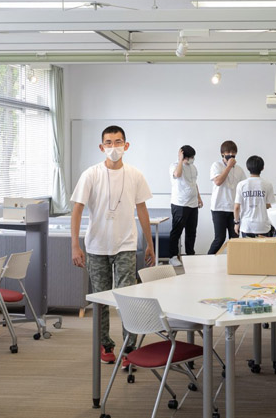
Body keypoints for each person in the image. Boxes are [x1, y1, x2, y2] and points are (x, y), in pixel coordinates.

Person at [71, 125, 154, 364]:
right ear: (101, 147)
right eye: (108, 143)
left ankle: (130, 348)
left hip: (126, 244)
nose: (113, 147)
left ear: (126, 146)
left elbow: (142, 210)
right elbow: (77, 210)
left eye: (118, 142)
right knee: (100, 299)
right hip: (96, 246)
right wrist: (75, 245)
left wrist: (149, 243)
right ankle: (105, 345)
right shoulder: (91, 174)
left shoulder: (135, 175)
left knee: (127, 297)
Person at [207, 140, 247, 254]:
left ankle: (233, 262)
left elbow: (244, 187)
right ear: (222, 154)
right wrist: (228, 167)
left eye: (233, 152)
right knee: (219, 239)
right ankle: (208, 258)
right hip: (218, 207)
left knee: (235, 239)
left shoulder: (239, 169)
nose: (231, 154)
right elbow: (218, 182)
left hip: (234, 209)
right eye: (228, 152)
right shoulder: (216, 165)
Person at [168, 144, 202, 259]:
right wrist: (180, 160)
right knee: (177, 231)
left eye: (193, 157)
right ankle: (173, 256)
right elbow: (177, 174)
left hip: (193, 204)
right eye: (190, 157)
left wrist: (199, 197)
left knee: (191, 232)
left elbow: (194, 183)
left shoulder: (193, 167)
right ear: (183, 156)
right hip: (180, 204)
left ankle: (190, 255)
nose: (192, 159)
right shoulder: (175, 166)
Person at [234, 155, 274, 238]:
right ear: (262, 168)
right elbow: (269, 206)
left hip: (247, 225)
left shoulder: (241, 185)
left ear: (247, 168)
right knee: (263, 247)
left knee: (248, 247)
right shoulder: (268, 184)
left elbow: (237, 207)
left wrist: (237, 223)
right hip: (263, 225)